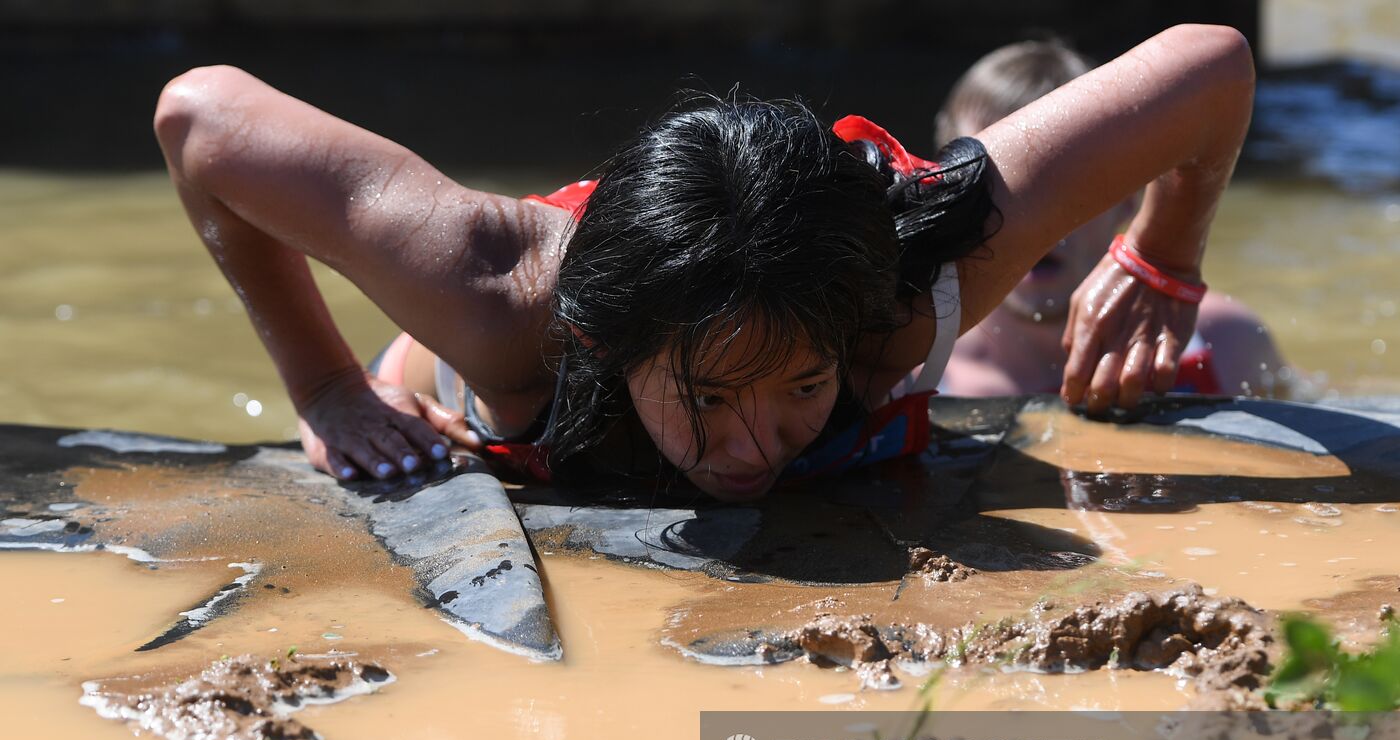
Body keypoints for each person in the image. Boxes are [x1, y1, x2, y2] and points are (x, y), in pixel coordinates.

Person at [154, 24, 1255, 501]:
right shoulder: (492, 297)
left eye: (802, 388)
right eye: (708, 398)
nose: (749, 449)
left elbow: (1209, 65)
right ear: (606, 348)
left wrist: (1160, 260)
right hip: (488, 349)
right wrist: (329, 386)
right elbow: (199, 117)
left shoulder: (919, 273)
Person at [933, 38, 1289, 399]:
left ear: (1128, 199)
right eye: (992, 186)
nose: (1031, 219)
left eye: (1067, 184)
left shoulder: (1225, 342)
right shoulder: (915, 379)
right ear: (944, 197)